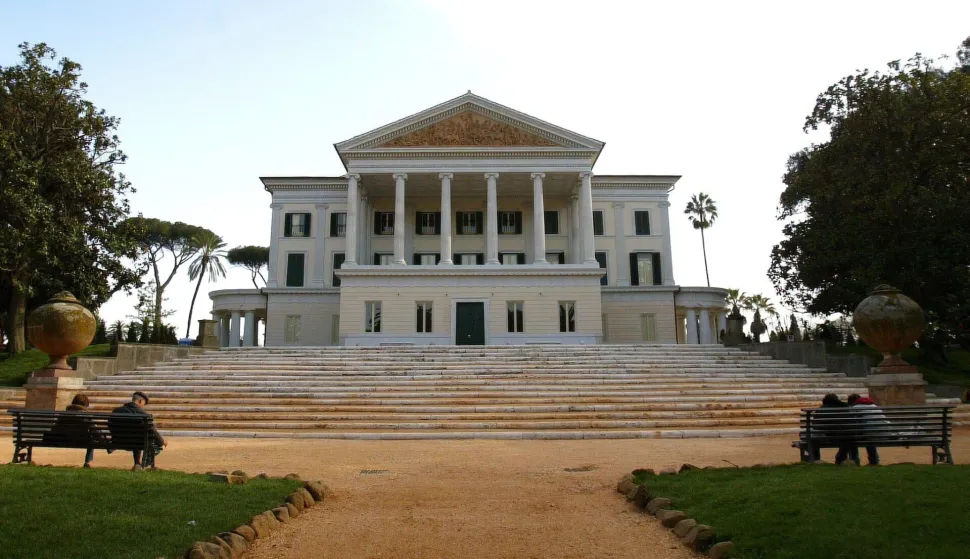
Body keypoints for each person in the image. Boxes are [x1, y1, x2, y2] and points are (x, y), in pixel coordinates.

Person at [110, 391, 167, 470]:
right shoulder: (143, 414)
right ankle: (149, 465)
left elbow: (110, 426)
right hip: (137, 443)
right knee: (151, 441)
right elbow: (152, 430)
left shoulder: (116, 411)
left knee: (137, 436)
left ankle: (137, 464)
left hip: (118, 442)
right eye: (144, 404)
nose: (143, 406)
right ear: (140, 401)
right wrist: (162, 441)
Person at [46, 393, 105, 468]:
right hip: (82, 441)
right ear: (86, 403)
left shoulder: (64, 414)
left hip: (63, 440)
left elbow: (55, 427)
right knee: (92, 438)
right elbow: (94, 430)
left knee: (92, 434)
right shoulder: (86, 415)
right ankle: (87, 461)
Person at [810, 393, 860, 465]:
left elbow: (815, 426)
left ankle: (816, 459)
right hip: (848, 437)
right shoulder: (847, 407)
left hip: (830, 437)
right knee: (850, 436)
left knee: (813, 439)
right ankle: (845, 459)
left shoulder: (822, 409)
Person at [847, 393, 887, 465]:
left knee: (852, 437)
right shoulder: (874, 406)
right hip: (884, 432)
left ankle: (854, 461)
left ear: (851, 402)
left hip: (870, 433)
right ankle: (874, 460)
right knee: (870, 435)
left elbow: (852, 423)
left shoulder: (854, 408)